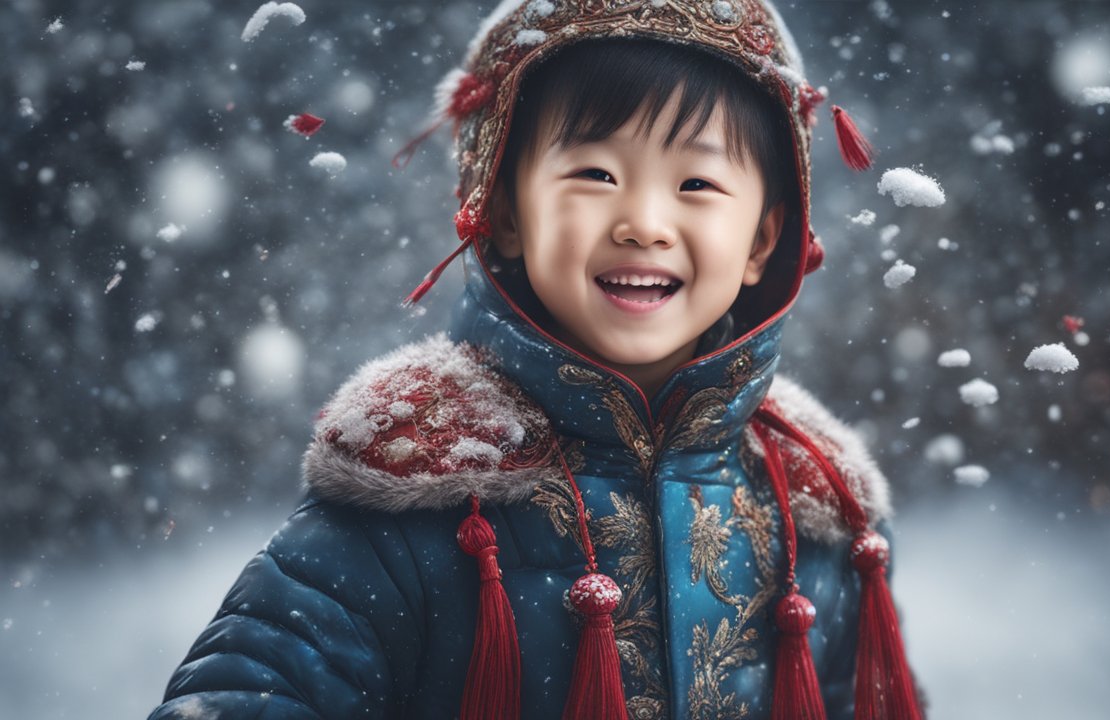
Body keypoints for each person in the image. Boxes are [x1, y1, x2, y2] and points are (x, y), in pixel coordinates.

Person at [149, 1, 925, 718]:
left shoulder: (814, 505)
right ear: (505, 213)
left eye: (696, 181)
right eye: (596, 175)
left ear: (762, 239)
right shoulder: (416, 484)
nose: (644, 224)